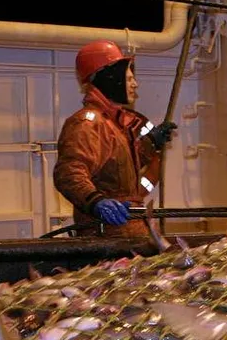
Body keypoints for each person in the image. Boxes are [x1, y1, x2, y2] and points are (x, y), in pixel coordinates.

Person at [54, 40, 177, 238]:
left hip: (128, 232)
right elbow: (69, 173)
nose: (135, 84)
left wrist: (150, 144)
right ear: (109, 77)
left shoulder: (113, 123)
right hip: (106, 236)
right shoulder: (88, 123)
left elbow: (116, 168)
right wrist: (95, 202)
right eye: (128, 78)